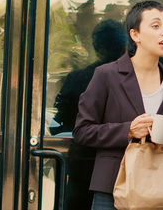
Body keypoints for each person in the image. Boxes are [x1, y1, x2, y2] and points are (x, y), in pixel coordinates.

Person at [73, 0, 163, 210]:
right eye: (156, 26)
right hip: (112, 187)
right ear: (135, 35)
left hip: (160, 188)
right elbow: (82, 131)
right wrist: (128, 130)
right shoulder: (106, 75)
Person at [51, 19, 127, 210]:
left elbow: (64, 120)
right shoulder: (137, 78)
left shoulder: (78, 78)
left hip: (83, 164)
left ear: (96, 46)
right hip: (121, 166)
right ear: (125, 44)